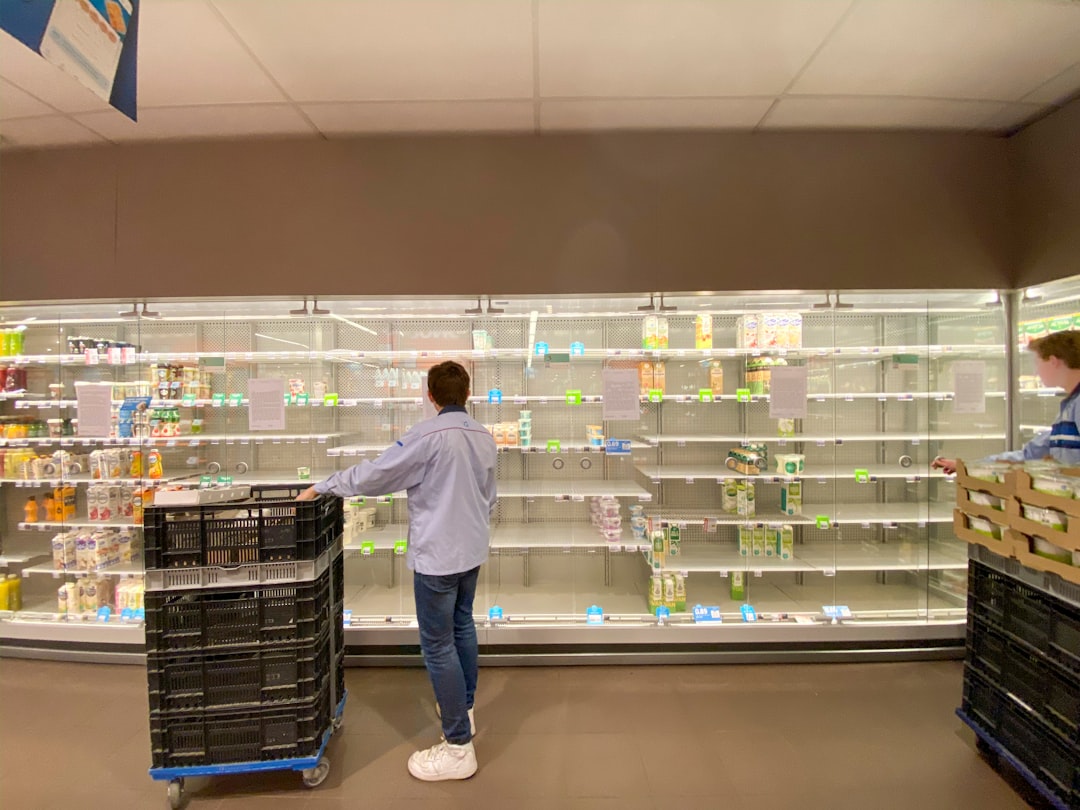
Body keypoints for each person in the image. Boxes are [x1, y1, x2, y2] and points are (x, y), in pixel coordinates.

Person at [297, 360, 496, 781]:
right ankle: (465, 709)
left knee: (438, 645)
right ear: (468, 393)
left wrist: (325, 485)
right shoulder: (483, 436)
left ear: (430, 395)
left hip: (438, 557)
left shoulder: (426, 436)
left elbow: (376, 475)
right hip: (471, 552)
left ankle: (458, 747)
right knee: (463, 627)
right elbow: (488, 496)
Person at [933, 330, 1080, 475]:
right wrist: (969, 467)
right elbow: (1030, 454)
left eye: (1038, 363)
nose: (1036, 372)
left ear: (1053, 362)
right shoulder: (1070, 406)